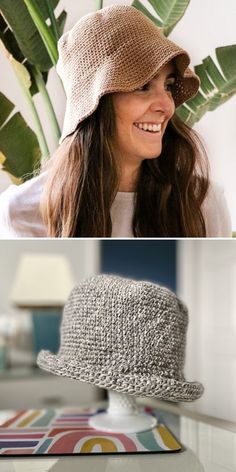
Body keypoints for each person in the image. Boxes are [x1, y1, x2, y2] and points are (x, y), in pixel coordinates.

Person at [0, 5, 232, 238]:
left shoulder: (203, 204)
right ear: (96, 104)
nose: (167, 106)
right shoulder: (19, 214)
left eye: (168, 86)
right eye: (143, 86)